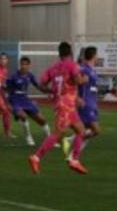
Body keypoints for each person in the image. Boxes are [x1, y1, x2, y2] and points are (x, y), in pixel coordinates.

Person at [28, 42, 89, 175]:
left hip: (66, 105)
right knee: (57, 133)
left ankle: (74, 160)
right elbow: (78, 81)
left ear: (59, 54)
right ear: (71, 53)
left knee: (81, 130)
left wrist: (52, 91)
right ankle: (36, 157)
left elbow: (41, 83)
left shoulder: (53, 68)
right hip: (66, 105)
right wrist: (84, 79)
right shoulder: (72, 65)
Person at [64, 46, 101, 159]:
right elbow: (74, 82)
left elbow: (92, 87)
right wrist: (76, 97)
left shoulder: (92, 69)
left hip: (92, 103)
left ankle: (71, 155)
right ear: (94, 56)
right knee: (96, 130)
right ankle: (71, 143)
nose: (98, 57)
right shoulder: (84, 69)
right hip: (86, 104)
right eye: (97, 55)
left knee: (85, 132)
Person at [6, 56, 52, 146]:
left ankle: (50, 139)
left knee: (42, 119)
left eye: (26, 64)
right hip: (15, 99)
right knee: (23, 116)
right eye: (22, 64)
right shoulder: (13, 76)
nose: (24, 66)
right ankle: (28, 137)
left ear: (29, 65)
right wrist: (7, 103)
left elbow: (38, 86)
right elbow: (4, 89)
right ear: (20, 65)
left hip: (25, 99)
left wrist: (49, 91)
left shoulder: (30, 75)